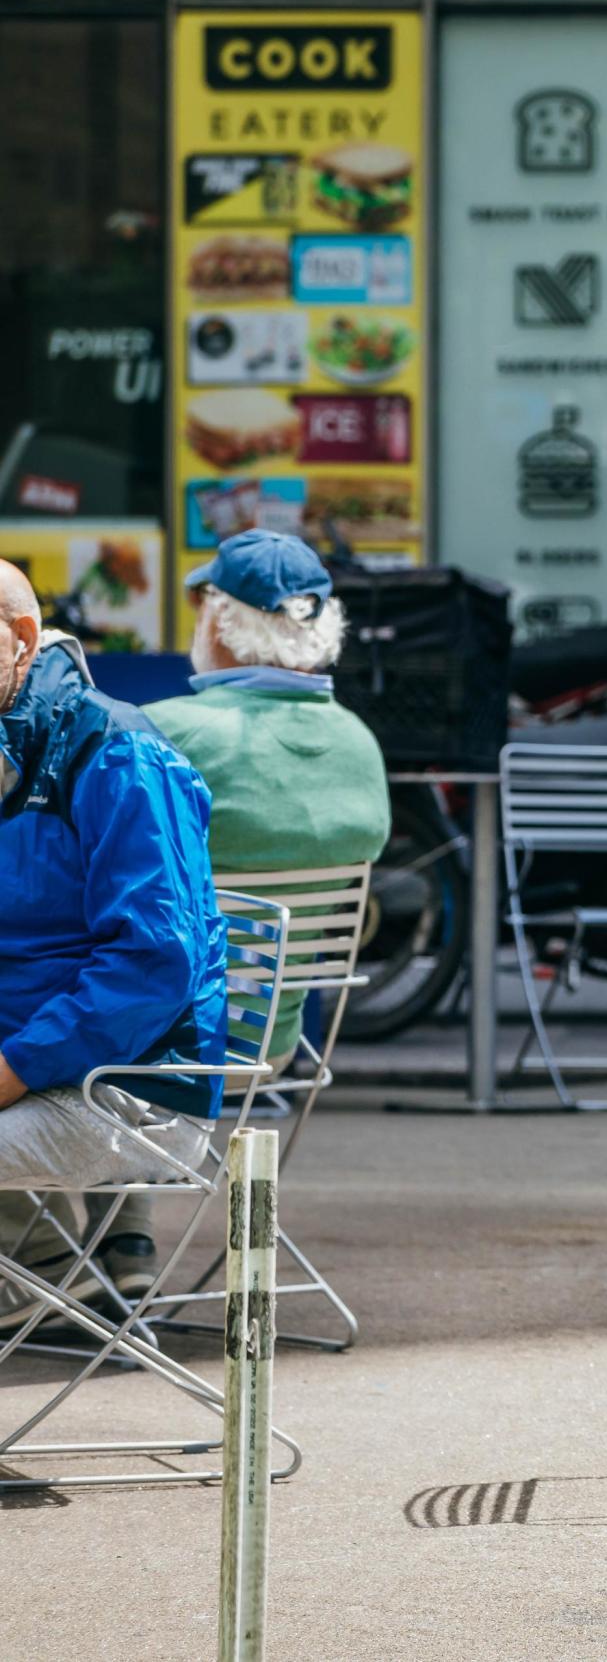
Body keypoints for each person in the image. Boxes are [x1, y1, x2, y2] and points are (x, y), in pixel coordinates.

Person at [0, 560, 228, 1325]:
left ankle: (39, 1264)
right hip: (42, 1060)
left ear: (22, 640)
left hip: (129, 1088)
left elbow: (151, 963)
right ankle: (46, 1263)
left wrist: (13, 1067)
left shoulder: (118, 750)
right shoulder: (17, 740)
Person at [146, 529, 391, 1061]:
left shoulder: (166, 733)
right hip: (271, 1043)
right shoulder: (361, 746)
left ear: (221, 625)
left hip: (160, 1038)